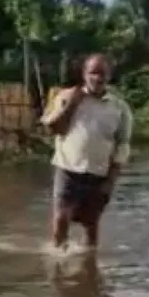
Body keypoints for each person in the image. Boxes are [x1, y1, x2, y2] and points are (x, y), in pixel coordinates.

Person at [39, 53, 133, 252]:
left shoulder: (119, 108)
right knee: (61, 218)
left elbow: (122, 145)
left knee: (91, 223)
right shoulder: (65, 97)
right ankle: (57, 260)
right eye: (93, 73)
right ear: (84, 74)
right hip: (68, 168)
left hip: (99, 173)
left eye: (102, 74)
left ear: (109, 76)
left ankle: (89, 266)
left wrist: (111, 181)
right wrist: (72, 103)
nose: (97, 78)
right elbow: (51, 128)